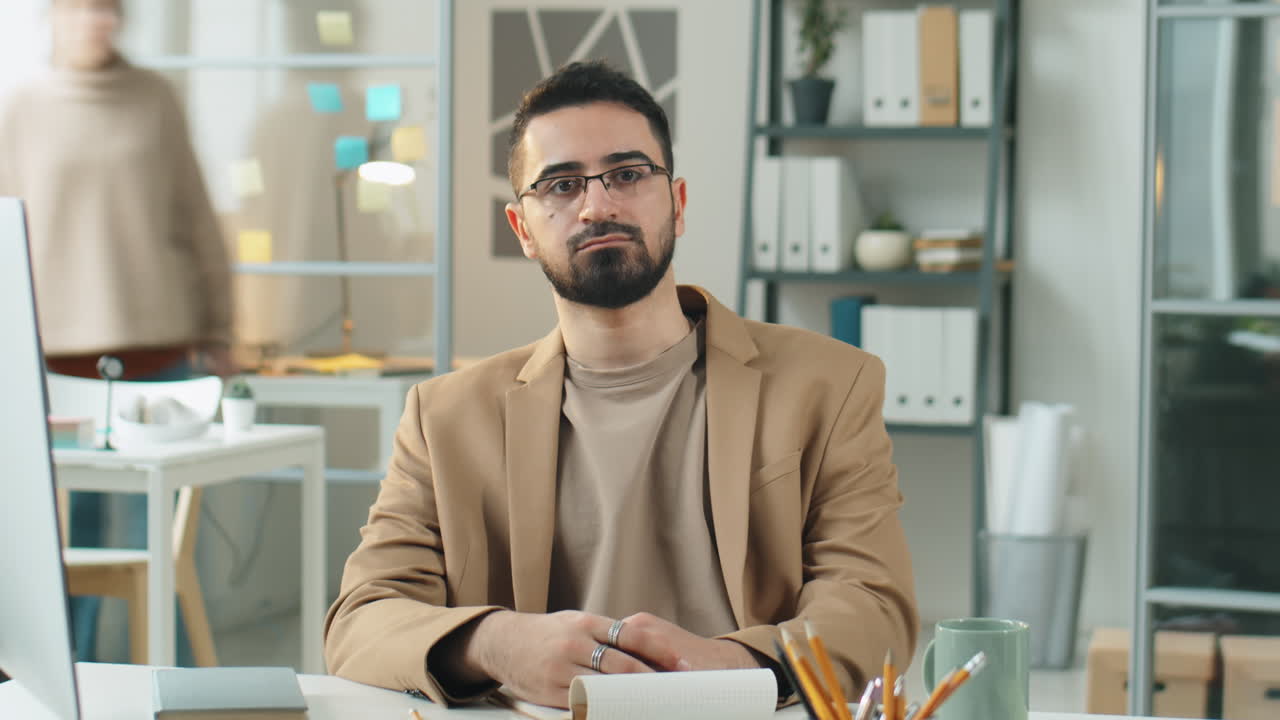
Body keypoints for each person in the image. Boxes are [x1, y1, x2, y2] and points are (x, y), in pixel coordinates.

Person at [324, 60, 917, 709]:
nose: (597, 204)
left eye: (628, 175)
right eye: (560, 185)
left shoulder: (831, 385)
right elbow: (360, 620)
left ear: (678, 203)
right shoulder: (444, 418)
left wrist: (738, 662)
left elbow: (872, 604)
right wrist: (495, 643)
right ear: (522, 229)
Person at [0, 0, 234, 661]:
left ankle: (172, 690)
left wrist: (218, 325)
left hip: (157, 353)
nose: (96, 22)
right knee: (60, 557)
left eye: (108, 9)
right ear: (54, 15)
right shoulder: (21, 106)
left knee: (152, 549)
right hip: (52, 361)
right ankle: (65, 691)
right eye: (82, 9)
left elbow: (195, 215)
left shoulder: (154, 98)